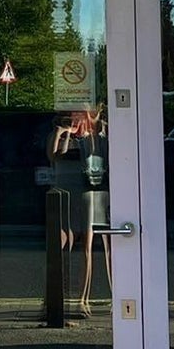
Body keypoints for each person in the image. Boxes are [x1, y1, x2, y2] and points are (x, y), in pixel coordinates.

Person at [47, 106, 111, 317]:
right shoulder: (62, 134)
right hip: (64, 194)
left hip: (88, 194)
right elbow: (53, 156)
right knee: (60, 245)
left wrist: (96, 128)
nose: (76, 118)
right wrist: (63, 134)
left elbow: (101, 157)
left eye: (80, 114)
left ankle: (82, 300)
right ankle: (55, 299)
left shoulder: (93, 137)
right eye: (73, 114)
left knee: (87, 248)